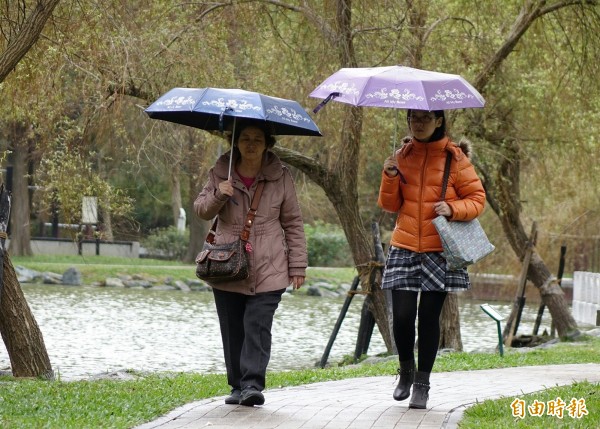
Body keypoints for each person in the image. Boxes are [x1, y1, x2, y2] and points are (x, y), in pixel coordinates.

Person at [194, 121, 307, 407]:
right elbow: (201, 210)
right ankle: (237, 385)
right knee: (232, 327)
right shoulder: (221, 170)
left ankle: (252, 384)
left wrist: (298, 267)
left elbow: (293, 222)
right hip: (227, 262)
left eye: (258, 138)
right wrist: (220, 193)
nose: (251, 144)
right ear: (236, 142)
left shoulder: (280, 176)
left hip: (270, 265)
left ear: (268, 143)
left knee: (257, 324)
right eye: (245, 138)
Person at [377, 109, 486, 409]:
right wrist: (389, 177)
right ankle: (405, 370)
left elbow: (477, 199)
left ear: (439, 121)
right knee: (400, 316)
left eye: (426, 118)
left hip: (440, 249)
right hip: (404, 244)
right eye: (414, 117)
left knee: (427, 318)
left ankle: (422, 383)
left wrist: (453, 209)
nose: (419, 123)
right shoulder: (401, 156)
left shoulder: (455, 158)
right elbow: (390, 205)